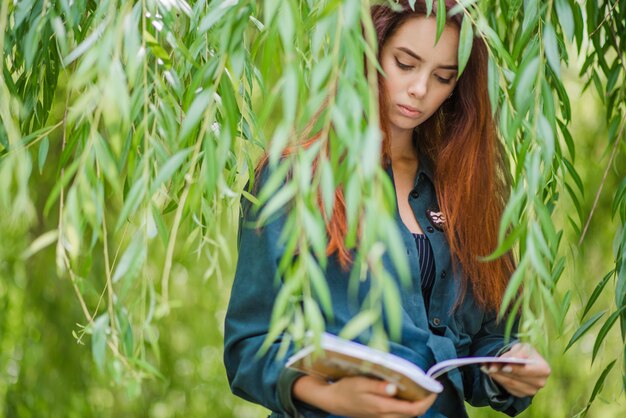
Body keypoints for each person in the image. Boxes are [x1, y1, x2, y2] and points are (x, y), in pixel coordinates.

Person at [224, 1, 551, 417]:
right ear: (368, 53)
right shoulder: (291, 179)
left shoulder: (464, 193)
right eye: (404, 64)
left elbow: (488, 338)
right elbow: (248, 346)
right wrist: (329, 396)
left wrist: (510, 368)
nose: (420, 89)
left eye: (442, 77)